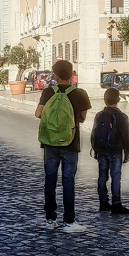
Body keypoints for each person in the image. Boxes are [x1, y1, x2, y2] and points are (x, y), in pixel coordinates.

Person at [35, 60, 92, 233]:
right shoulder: (80, 93)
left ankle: (50, 219)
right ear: (71, 74)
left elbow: (38, 113)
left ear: (56, 75)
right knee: (68, 181)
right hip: (71, 142)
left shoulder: (47, 92)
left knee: (50, 180)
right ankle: (69, 221)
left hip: (50, 142)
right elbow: (82, 118)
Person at [90, 88, 129, 215]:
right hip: (116, 150)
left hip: (102, 149)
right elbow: (126, 136)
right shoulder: (122, 116)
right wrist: (128, 152)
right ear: (118, 100)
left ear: (105, 100)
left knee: (102, 176)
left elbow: (94, 133)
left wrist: (95, 148)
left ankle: (103, 202)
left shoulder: (99, 115)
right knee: (115, 177)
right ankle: (116, 203)